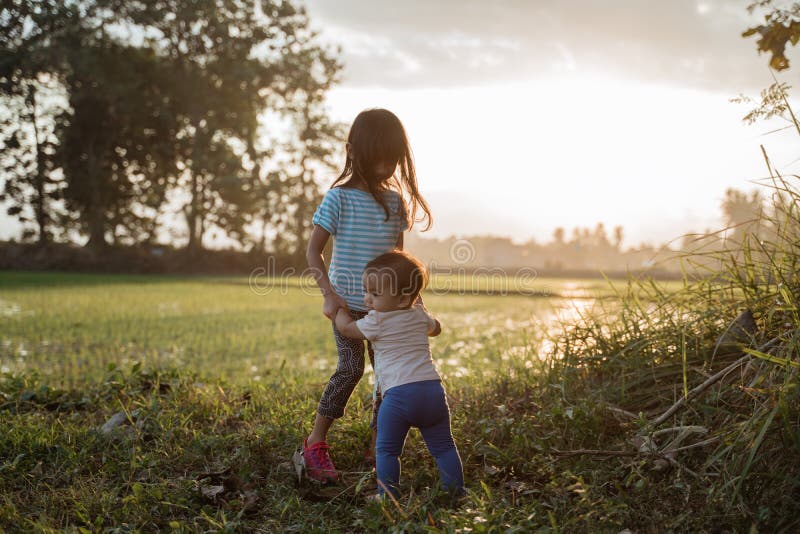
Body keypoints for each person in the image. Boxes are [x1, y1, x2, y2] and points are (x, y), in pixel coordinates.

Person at [302, 108, 433, 483]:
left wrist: (415, 303)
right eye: (379, 155)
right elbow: (313, 252)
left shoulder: (395, 203)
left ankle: (380, 442)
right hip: (347, 308)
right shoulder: (339, 199)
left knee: (389, 375)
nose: (386, 164)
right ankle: (315, 443)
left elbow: (401, 262)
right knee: (350, 369)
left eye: (393, 157)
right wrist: (329, 297)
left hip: (390, 312)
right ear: (355, 152)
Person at [333, 250, 464, 499]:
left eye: (375, 294)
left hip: (399, 397)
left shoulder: (377, 321)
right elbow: (437, 329)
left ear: (404, 298)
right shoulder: (418, 314)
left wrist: (338, 311)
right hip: (433, 392)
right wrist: (423, 309)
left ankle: (388, 495)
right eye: (366, 291)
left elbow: (348, 330)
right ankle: (456, 491)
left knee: (387, 450)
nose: (367, 299)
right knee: (445, 447)